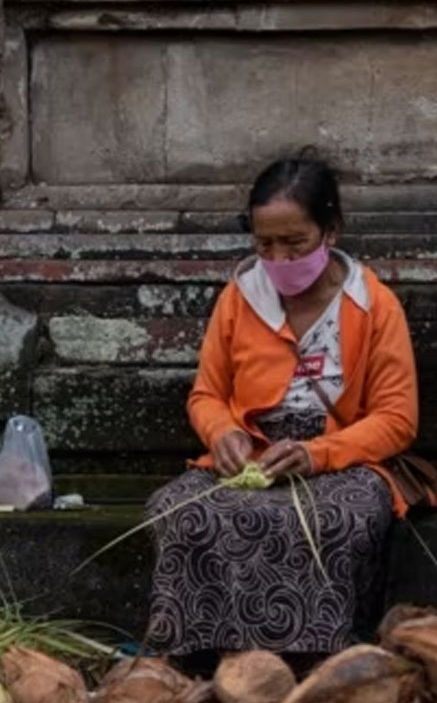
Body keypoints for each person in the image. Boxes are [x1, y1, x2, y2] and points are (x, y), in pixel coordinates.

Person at [144, 153, 419, 675]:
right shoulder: (239, 297)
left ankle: (319, 665)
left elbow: (397, 418)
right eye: (264, 244)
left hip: (342, 463)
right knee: (181, 511)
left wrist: (317, 454)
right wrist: (222, 433)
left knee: (337, 520)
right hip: (253, 454)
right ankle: (203, 663)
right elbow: (205, 395)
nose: (279, 257)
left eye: (295, 243)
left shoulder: (374, 305)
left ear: (330, 231)